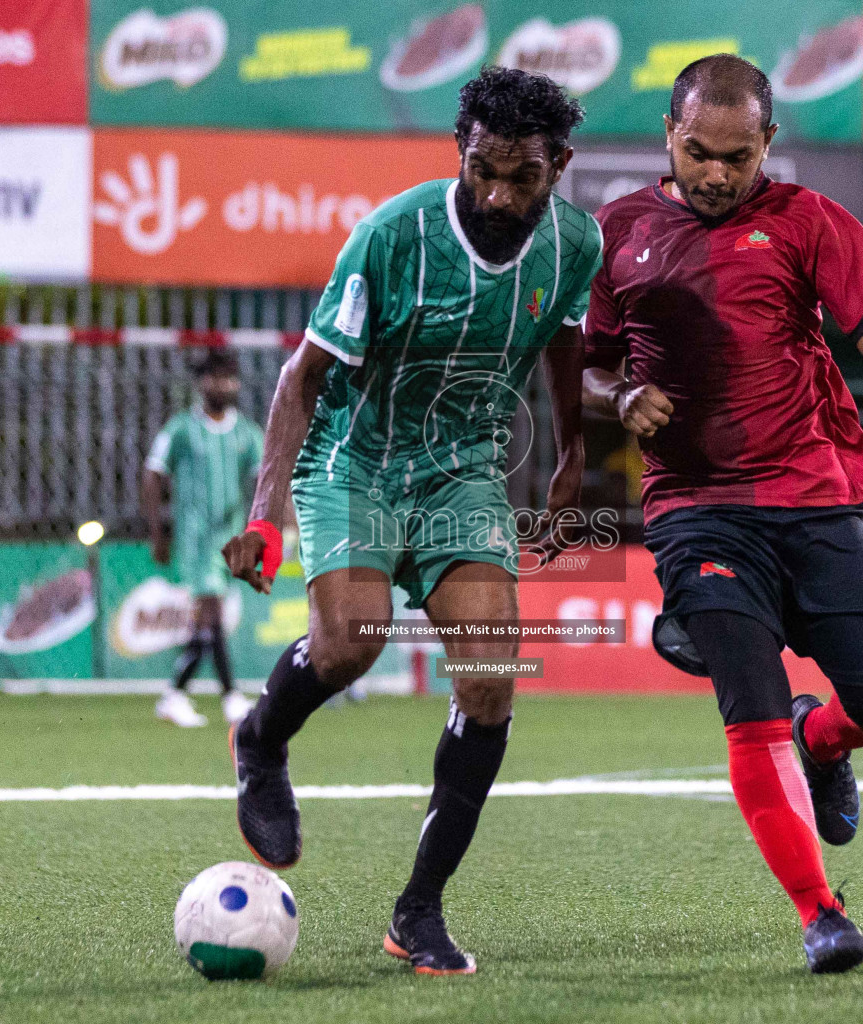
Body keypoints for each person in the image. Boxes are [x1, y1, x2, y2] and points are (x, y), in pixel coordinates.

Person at [581, 55, 863, 974]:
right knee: (748, 707)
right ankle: (820, 913)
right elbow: (587, 362)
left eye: (737, 155)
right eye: (697, 152)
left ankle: (823, 738)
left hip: (816, 496)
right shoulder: (617, 233)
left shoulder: (812, 223)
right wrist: (618, 396)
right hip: (696, 509)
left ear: (769, 143)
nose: (717, 174)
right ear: (668, 134)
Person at [222, 67, 601, 976]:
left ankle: (418, 912)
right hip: (355, 463)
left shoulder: (575, 244)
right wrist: (264, 516)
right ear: (459, 152)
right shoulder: (393, 236)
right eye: (482, 169)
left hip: (466, 476)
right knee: (351, 645)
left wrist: (571, 454)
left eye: (524, 176)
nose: (499, 194)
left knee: (490, 683)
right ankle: (261, 739)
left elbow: (563, 341)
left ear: (561, 166)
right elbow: (301, 379)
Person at [142, 348, 264, 728]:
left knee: (208, 621)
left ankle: (175, 694)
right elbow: (153, 474)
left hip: (231, 542)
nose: (223, 385)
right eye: (215, 377)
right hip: (196, 539)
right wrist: (158, 531)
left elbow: (266, 480)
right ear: (202, 383)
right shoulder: (181, 428)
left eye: (229, 377)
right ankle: (230, 696)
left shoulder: (247, 432)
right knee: (211, 612)